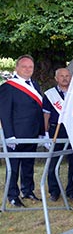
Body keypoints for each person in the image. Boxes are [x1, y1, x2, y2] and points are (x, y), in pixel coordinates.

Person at [0, 55, 45, 207]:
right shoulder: (8, 87)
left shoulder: (35, 85)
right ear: (17, 68)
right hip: (16, 135)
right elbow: (5, 113)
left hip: (32, 133)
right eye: (24, 66)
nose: (27, 69)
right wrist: (9, 136)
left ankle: (28, 190)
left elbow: (38, 110)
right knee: (13, 167)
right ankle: (12, 195)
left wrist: (41, 131)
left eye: (30, 67)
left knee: (28, 165)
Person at [43, 68, 73, 202]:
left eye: (67, 76)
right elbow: (46, 114)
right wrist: (46, 133)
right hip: (56, 130)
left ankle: (72, 190)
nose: (64, 78)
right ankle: (54, 191)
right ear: (56, 78)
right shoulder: (50, 94)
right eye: (61, 76)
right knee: (53, 161)